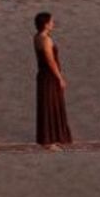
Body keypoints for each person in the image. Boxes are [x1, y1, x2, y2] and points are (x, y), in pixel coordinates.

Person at [33, 12, 71, 148]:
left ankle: (50, 139)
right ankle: (49, 140)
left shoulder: (37, 37)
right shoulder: (45, 40)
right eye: (51, 22)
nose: (53, 24)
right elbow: (50, 60)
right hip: (49, 76)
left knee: (48, 105)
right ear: (46, 24)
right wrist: (59, 77)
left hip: (43, 74)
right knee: (51, 105)